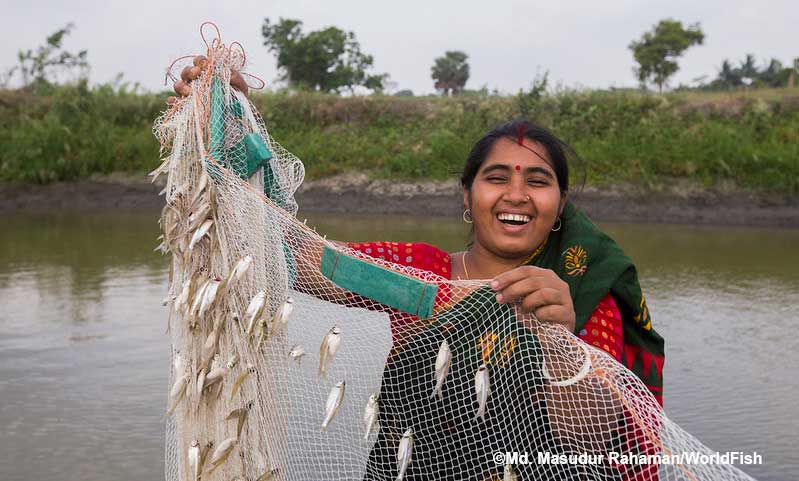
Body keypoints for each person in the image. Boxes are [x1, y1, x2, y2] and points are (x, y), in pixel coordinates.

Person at [173, 66, 665, 480]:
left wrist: (559, 335)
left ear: (558, 208)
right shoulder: (420, 274)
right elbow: (297, 259)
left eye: (538, 181)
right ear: (467, 197)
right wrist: (229, 123)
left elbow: (594, 436)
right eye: (496, 178)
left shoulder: (580, 291)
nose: (516, 195)